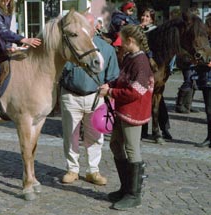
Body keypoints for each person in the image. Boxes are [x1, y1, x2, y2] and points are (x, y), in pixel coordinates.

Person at [60, 13, 120, 185]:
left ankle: (93, 171)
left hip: (96, 97)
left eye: (88, 26)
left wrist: (108, 89)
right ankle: (72, 169)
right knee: (70, 134)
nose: (84, 29)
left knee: (95, 136)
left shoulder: (106, 49)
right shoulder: (71, 46)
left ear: (96, 28)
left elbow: (113, 76)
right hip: (71, 95)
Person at [99, 24, 154, 210]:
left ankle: (134, 194)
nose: (119, 44)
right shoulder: (131, 58)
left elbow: (135, 91)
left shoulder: (141, 62)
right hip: (123, 109)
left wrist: (111, 92)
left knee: (132, 149)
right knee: (115, 144)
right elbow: (123, 78)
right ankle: (125, 188)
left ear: (131, 41)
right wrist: (110, 84)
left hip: (134, 111)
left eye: (122, 41)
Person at [140, 8, 172, 142]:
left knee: (159, 103)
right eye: (143, 15)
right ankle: (143, 130)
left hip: (156, 68)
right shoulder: (137, 29)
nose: (144, 18)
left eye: (147, 16)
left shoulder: (156, 31)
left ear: (152, 19)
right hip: (143, 68)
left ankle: (163, 129)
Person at [194, 16, 211, 148]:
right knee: (209, 109)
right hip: (206, 79)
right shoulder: (206, 41)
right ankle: (209, 137)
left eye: (207, 25)